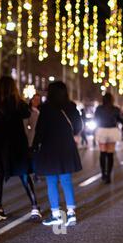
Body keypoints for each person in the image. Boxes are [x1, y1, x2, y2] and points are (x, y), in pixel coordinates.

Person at [0, 76, 41, 222]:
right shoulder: (18, 103)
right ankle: (35, 206)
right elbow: (27, 113)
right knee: (24, 174)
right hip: (16, 143)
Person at [33, 81, 83, 226]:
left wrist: (35, 145)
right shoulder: (71, 106)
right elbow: (78, 125)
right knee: (66, 180)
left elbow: (40, 130)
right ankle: (71, 213)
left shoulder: (46, 108)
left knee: (52, 182)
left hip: (50, 149)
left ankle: (56, 215)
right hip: (67, 147)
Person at [94, 92, 122, 184]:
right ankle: (109, 176)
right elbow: (120, 120)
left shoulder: (99, 109)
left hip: (102, 130)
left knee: (102, 153)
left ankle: (103, 174)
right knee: (110, 154)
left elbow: (96, 118)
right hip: (112, 131)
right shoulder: (116, 109)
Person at [24, 93, 42, 182]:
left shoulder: (40, 111)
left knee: (38, 156)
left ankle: (37, 173)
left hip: (40, 137)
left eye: (39, 99)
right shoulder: (29, 111)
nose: (37, 101)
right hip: (32, 138)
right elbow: (25, 125)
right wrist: (29, 135)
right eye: (35, 99)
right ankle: (35, 174)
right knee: (34, 157)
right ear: (31, 100)